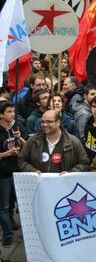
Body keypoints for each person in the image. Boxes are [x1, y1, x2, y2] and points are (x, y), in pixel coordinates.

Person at [18, 110, 89, 173]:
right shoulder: (33, 141)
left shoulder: (73, 142)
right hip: (40, 185)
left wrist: (70, 173)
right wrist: (33, 171)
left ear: (58, 122)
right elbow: (21, 160)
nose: (45, 124)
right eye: (42, 122)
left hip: (64, 186)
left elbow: (84, 163)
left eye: (49, 122)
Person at [0, 101, 25, 248]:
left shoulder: (16, 126)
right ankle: (8, 235)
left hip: (17, 172)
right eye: (9, 111)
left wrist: (19, 138)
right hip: (3, 175)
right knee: (3, 206)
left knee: (15, 203)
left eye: (13, 111)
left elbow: (27, 145)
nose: (13, 114)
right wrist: (8, 153)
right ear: (1, 115)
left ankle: (12, 222)